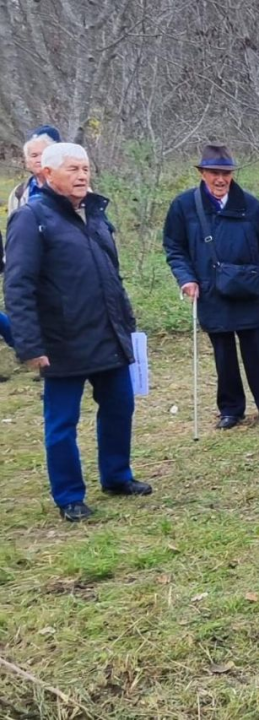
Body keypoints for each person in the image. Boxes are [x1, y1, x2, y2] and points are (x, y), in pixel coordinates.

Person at [3, 143, 152, 521]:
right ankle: (69, 495)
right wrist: (29, 345)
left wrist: (126, 323)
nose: (82, 175)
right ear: (47, 174)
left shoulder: (96, 214)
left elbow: (111, 276)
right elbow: (18, 286)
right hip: (61, 340)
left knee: (120, 407)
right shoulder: (30, 218)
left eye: (85, 168)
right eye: (72, 169)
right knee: (62, 423)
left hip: (108, 333)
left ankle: (117, 476)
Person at [163, 145, 259, 431]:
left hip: (249, 287)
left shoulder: (250, 204)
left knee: (257, 351)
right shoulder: (184, 206)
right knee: (223, 352)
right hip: (210, 289)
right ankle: (230, 409)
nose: (220, 179)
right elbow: (174, 247)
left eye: (226, 173)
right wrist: (186, 278)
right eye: (214, 173)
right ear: (202, 173)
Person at [7, 127, 59, 213]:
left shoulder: (71, 188)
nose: (39, 160)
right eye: (34, 155)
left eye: (44, 154)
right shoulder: (19, 193)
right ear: (27, 162)